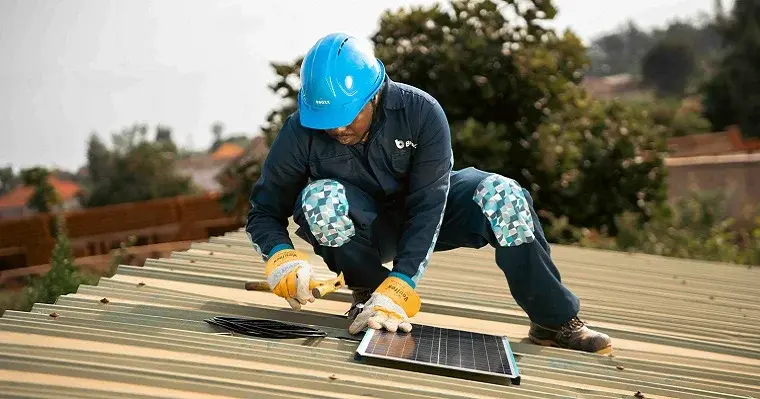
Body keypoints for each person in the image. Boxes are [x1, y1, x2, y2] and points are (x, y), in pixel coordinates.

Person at [245, 32, 612, 354]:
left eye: (348, 115)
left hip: (427, 213)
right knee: (320, 200)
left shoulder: (421, 112)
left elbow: (429, 205)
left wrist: (403, 284)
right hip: (367, 229)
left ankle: (552, 320)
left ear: (374, 95)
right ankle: (370, 295)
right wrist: (280, 256)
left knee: (504, 195)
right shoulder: (299, 132)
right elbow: (264, 210)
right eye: (326, 122)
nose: (337, 128)